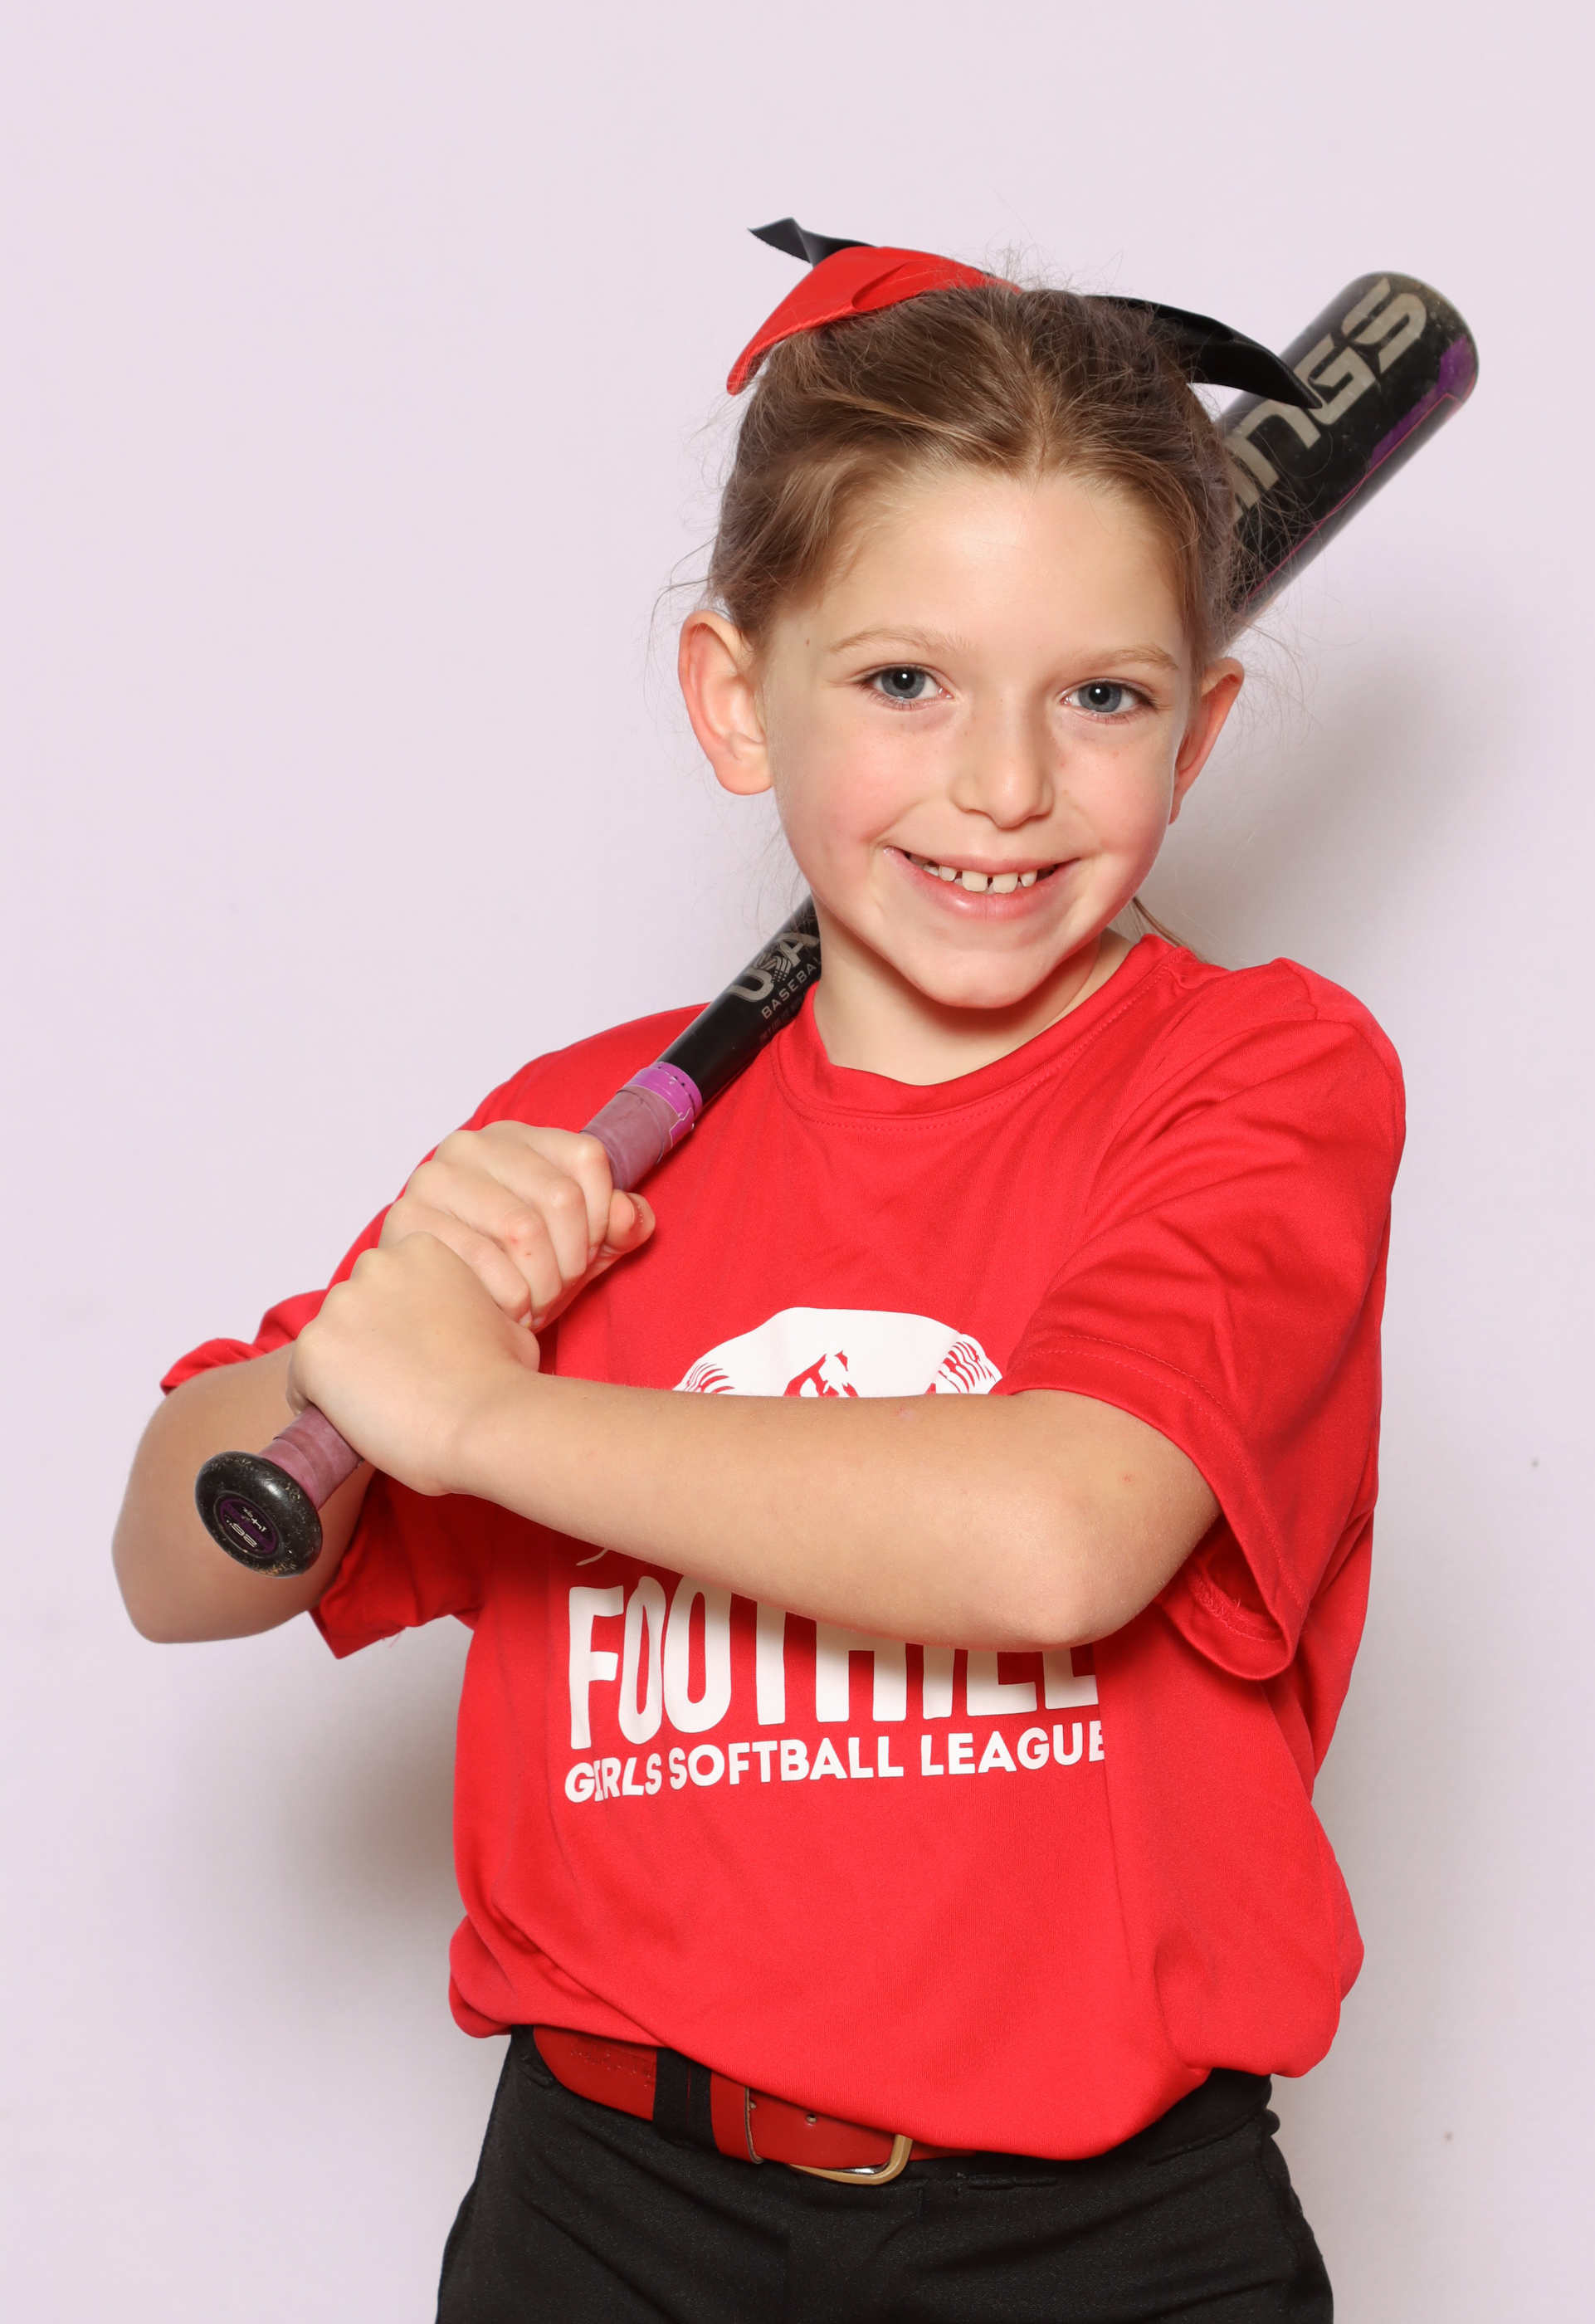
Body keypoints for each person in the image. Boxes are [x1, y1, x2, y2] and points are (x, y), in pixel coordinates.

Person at [114, 230, 1404, 2322]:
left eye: (1102, 695)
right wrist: (353, 1362)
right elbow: (181, 1565)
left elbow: (1056, 1531)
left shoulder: (1254, 1081)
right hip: (609, 2214)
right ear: (736, 695)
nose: (1004, 785)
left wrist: (487, 1416)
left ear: (1204, 725)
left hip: (1100, 2241)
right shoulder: (581, 1133)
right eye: (903, 681)